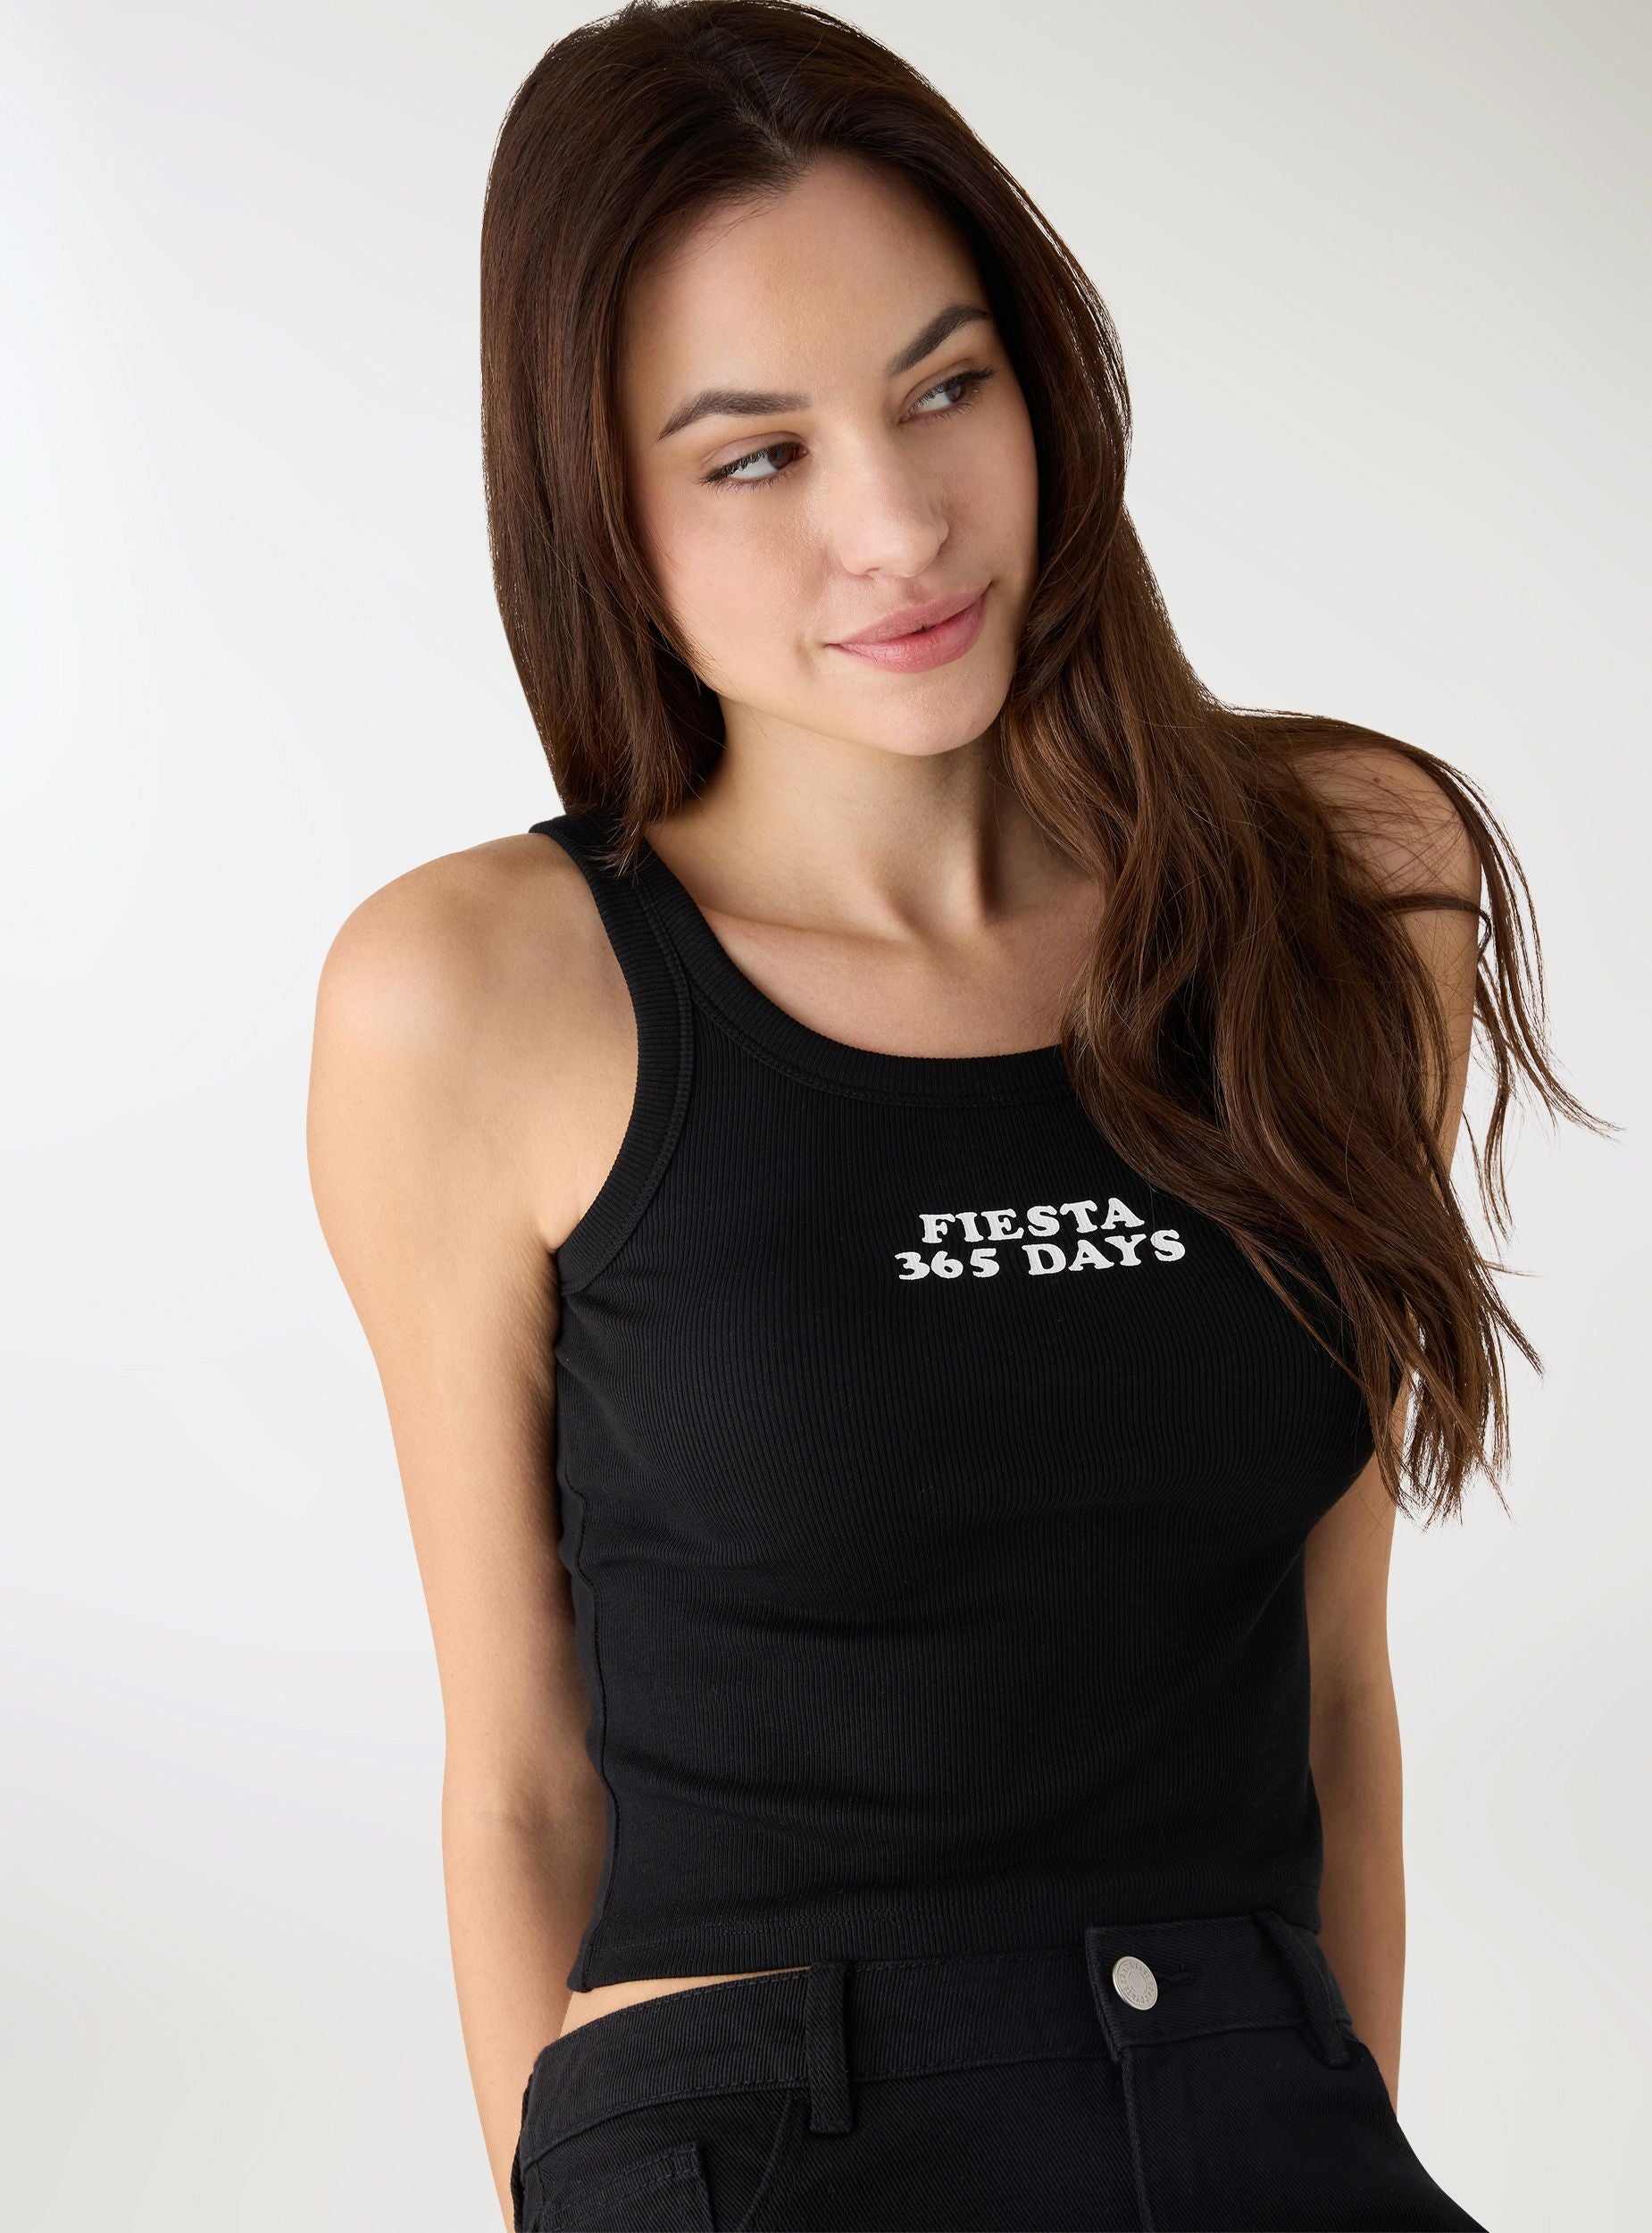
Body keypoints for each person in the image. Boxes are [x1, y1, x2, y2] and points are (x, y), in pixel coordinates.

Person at [307, 4, 1602, 2226]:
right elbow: (520, 1778)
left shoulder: (1346, 882)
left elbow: (1332, 1690)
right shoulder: (477, 995)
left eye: (943, 387)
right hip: (750, 2128)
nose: (897, 524)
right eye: (754, 455)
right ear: (599, 507)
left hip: (1249, 2085)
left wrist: (1327, 2128)